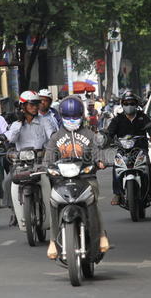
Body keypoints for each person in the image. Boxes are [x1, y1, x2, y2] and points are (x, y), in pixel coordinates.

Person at [44, 95, 109, 259]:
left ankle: (101, 235)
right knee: (52, 202)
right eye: (67, 117)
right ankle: (53, 240)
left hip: (86, 178)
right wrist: (46, 167)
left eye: (75, 117)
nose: (71, 120)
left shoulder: (89, 134)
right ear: (61, 116)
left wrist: (100, 161)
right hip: (62, 181)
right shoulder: (56, 137)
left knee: (93, 200)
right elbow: (48, 157)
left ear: (82, 116)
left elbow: (97, 151)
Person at [1, 90, 55, 226]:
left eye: (36, 104)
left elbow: (52, 136)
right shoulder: (16, 124)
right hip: (21, 161)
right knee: (8, 181)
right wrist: (20, 122)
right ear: (23, 106)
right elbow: (11, 137)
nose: (35, 107)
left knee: (55, 179)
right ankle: (14, 211)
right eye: (31, 104)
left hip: (41, 160)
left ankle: (56, 209)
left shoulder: (45, 121)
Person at [108, 93, 151, 205]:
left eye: (132, 103)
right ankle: (117, 193)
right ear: (122, 105)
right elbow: (109, 133)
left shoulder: (142, 117)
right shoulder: (118, 119)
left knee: (148, 165)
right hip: (122, 150)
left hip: (140, 149)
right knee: (116, 167)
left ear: (136, 104)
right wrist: (106, 139)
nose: (129, 105)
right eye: (126, 103)